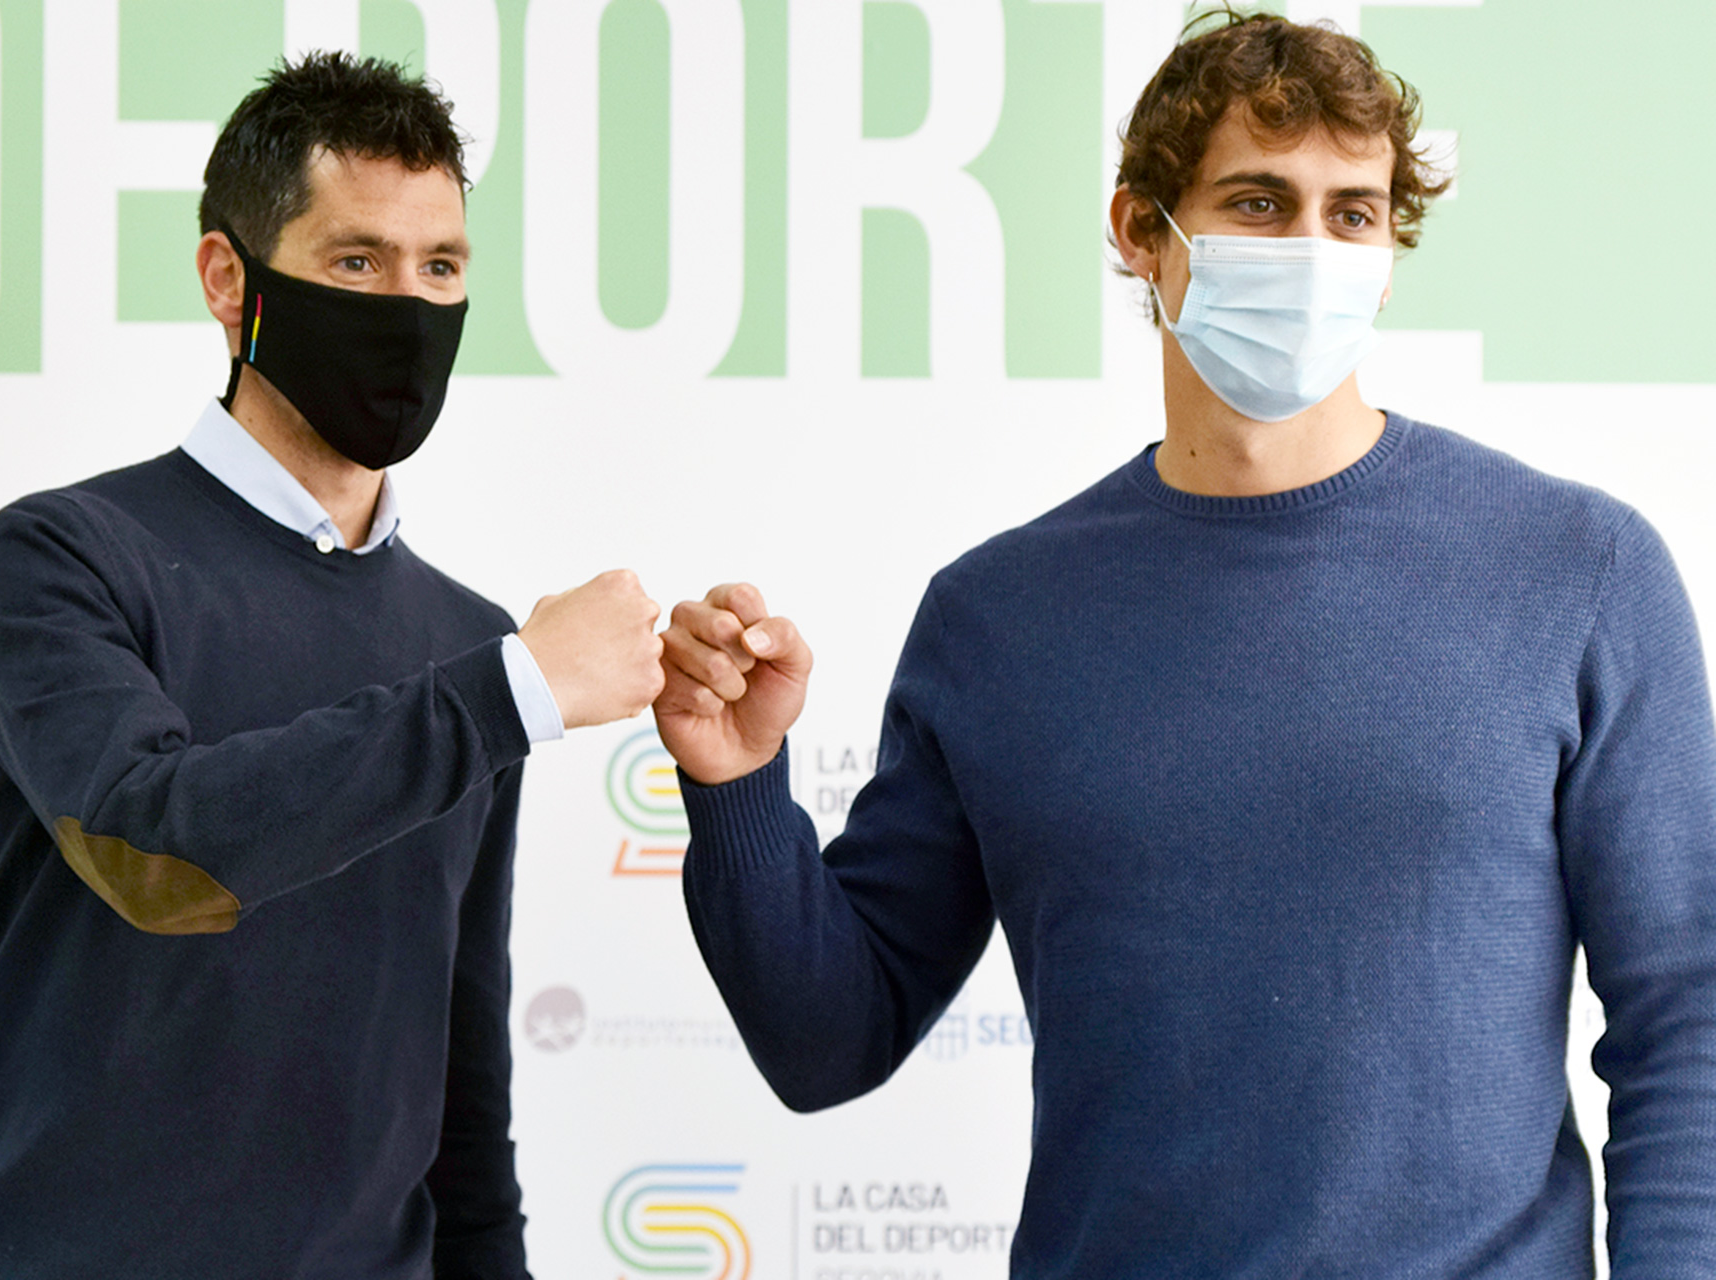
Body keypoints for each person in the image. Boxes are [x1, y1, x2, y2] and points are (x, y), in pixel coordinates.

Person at [652, 11, 1716, 1276]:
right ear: (1140, 231)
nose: (1312, 251)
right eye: (1259, 204)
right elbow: (829, 1042)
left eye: (1353, 213)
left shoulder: (1579, 572)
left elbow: (1687, 1016)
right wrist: (737, 784)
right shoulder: (996, 619)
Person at [0, 53, 663, 1280]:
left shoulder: (469, 645)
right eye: (356, 262)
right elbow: (154, 854)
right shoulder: (65, 554)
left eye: (441, 267)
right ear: (230, 279)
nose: (406, 305)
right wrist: (514, 689)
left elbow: (459, 1084)